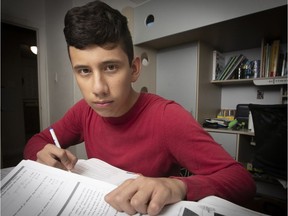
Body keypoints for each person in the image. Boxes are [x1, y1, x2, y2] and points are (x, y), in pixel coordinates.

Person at [23, 1, 256, 215]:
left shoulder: (168, 117)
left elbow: (243, 182)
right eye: (84, 71)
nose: (98, 88)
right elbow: (38, 141)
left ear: (134, 69)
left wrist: (178, 185)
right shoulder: (83, 111)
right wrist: (40, 153)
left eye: (111, 67)